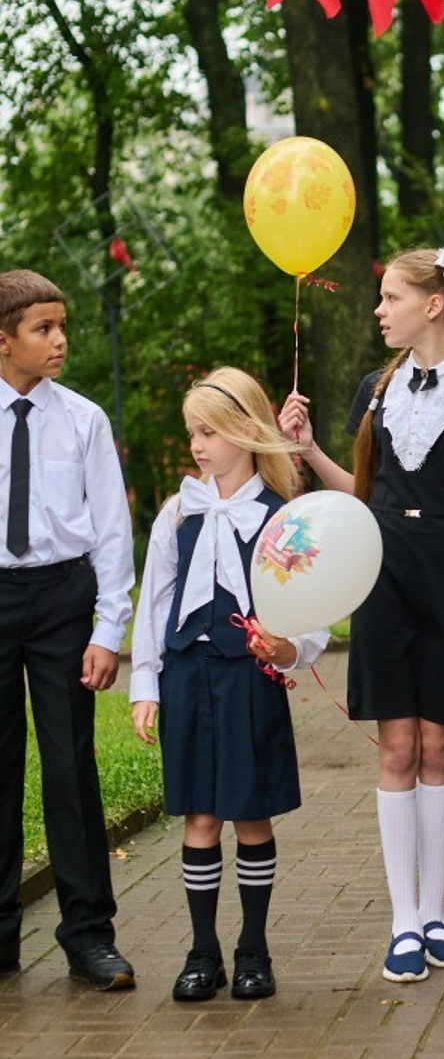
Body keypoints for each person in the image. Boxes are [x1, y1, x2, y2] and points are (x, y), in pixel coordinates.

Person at [279, 245, 444, 984]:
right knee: (396, 746)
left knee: (440, 744)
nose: (379, 310)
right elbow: (361, 493)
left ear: (432, 305)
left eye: (391, 298)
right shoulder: (376, 390)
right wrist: (308, 452)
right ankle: (402, 921)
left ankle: (436, 915)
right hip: (384, 574)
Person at [130, 367, 328, 1001]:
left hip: (249, 681)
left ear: (246, 431)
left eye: (209, 431)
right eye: (192, 432)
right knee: (200, 816)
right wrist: (145, 685)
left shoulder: (280, 519)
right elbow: (155, 604)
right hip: (189, 676)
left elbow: (311, 611)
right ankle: (202, 951)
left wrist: (290, 647)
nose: (197, 444)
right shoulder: (176, 513)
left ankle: (253, 950)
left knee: (250, 814)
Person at [0, 270, 136, 989]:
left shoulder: (83, 419)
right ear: (3, 340)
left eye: (61, 327)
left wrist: (108, 628)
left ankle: (88, 935)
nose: (58, 341)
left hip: (60, 600)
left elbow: (112, 530)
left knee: (69, 769)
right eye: (42, 329)